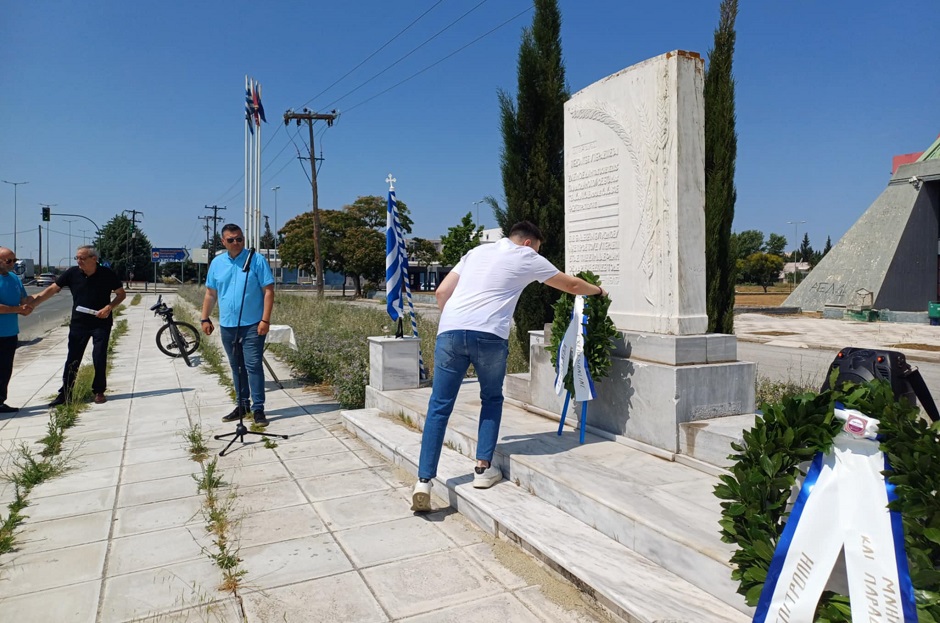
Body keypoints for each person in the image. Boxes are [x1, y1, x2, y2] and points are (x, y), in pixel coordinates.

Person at [411, 221, 607, 512]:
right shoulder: (526, 256)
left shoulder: (475, 252)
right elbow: (572, 285)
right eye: (538, 249)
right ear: (529, 243)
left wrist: (457, 322)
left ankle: (424, 481)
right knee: (490, 399)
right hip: (489, 335)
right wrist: (600, 292)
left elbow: (441, 292)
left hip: (450, 332)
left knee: (439, 405)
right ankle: (482, 469)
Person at [30, 246, 126, 406]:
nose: (78, 261)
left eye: (82, 258)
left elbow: (121, 294)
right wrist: (35, 302)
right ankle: (65, 393)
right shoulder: (72, 273)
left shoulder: (107, 274)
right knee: (73, 358)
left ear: (94, 259)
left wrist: (108, 308)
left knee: (99, 356)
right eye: (77, 258)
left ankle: (99, 391)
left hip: (101, 322)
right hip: (79, 323)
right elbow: (53, 289)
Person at [201, 224, 275, 427]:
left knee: (253, 366)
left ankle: (258, 408)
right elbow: (210, 293)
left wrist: (265, 320)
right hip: (228, 325)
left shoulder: (256, 260)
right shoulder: (217, 263)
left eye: (239, 239)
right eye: (231, 240)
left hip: (253, 324)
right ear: (223, 242)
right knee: (237, 367)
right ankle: (242, 405)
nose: (236, 243)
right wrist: (205, 318)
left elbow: (268, 291)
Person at [0, 247, 35, 413]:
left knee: (5, 369)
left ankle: (0, 401)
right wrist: (18, 309)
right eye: (9, 261)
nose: (13, 264)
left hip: (10, 333)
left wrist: (28, 306)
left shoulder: (14, 278)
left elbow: (24, 298)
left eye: (14, 260)